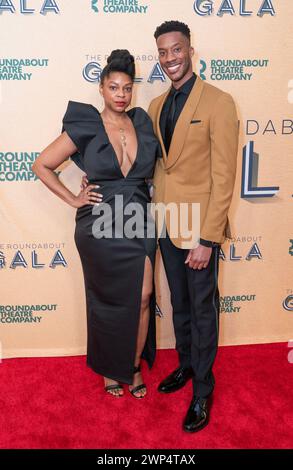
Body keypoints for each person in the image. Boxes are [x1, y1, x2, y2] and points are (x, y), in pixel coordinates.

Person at [32, 50, 161, 399]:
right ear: (101, 88)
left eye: (127, 88)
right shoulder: (86, 123)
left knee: (144, 297)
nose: (121, 94)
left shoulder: (142, 122)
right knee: (106, 300)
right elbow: (42, 165)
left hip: (138, 216)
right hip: (99, 222)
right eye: (113, 87)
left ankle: (132, 366)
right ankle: (109, 369)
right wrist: (74, 199)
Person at [147, 21, 239, 432]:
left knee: (202, 310)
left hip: (199, 229)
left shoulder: (219, 102)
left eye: (176, 49)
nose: (170, 58)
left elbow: (224, 178)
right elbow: (149, 166)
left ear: (190, 49)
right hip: (168, 225)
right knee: (180, 305)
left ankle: (203, 389)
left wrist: (208, 238)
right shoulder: (154, 106)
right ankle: (186, 365)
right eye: (163, 52)